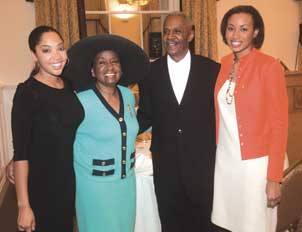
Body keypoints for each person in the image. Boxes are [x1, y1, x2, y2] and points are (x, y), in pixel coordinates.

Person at [137, 12, 220, 231]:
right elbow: (145, 114)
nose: (169, 36)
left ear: (190, 35)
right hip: (166, 166)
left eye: (177, 31)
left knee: (203, 222)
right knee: (170, 223)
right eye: (166, 31)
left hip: (202, 165)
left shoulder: (212, 70)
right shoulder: (149, 73)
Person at [211, 5, 288, 232]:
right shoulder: (224, 63)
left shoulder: (269, 66)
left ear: (255, 32)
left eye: (244, 29)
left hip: (256, 165)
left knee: (255, 225)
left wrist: (274, 178)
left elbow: (279, 124)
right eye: (231, 28)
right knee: (229, 224)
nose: (235, 35)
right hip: (226, 161)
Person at [63, 34, 149, 232]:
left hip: (126, 184)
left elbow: (131, 125)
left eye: (114, 61)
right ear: (92, 70)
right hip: (94, 188)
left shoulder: (127, 95)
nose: (110, 67)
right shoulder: (79, 101)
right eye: (102, 62)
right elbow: (58, 138)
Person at [12, 25, 84, 232]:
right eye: (46, 50)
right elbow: (21, 153)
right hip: (41, 185)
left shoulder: (68, 84)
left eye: (60, 48)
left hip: (67, 180)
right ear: (34, 55)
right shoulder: (27, 92)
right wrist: (23, 206)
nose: (56, 56)